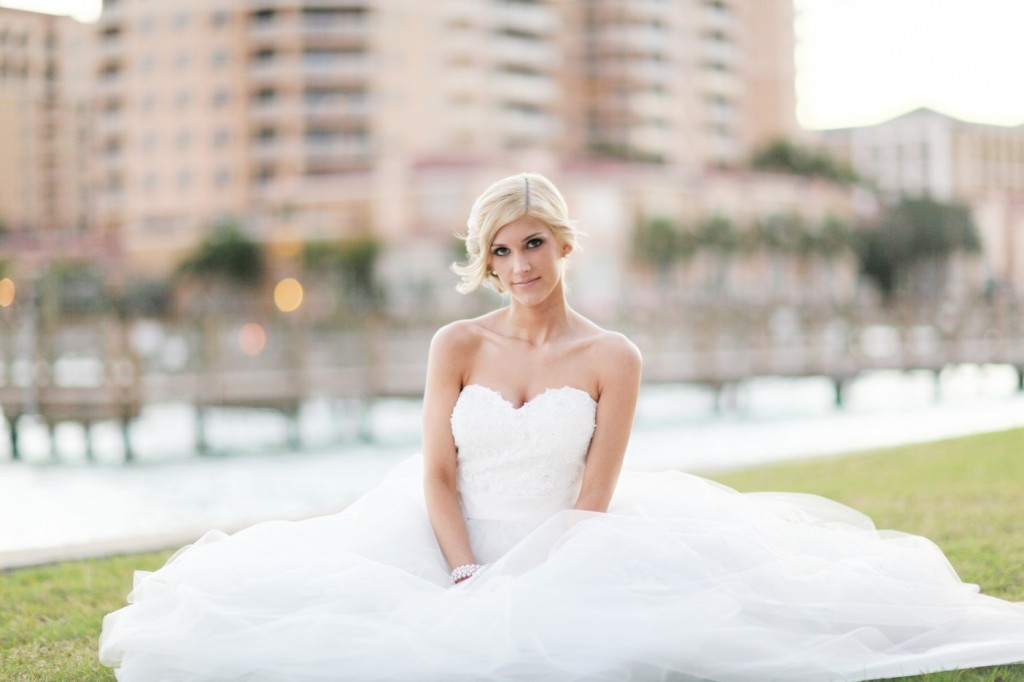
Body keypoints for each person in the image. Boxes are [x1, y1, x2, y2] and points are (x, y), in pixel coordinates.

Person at [100, 173, 1024, 681]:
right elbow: (433, 473)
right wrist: (464, 570)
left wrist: (526, 581)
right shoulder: (454, 343)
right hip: (443, 540)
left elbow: (594, 496)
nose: (518, 263)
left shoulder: (611, 357)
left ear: (564, 245)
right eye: (499, 250)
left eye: (532, 242)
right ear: (483, 261)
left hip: (570, 545)